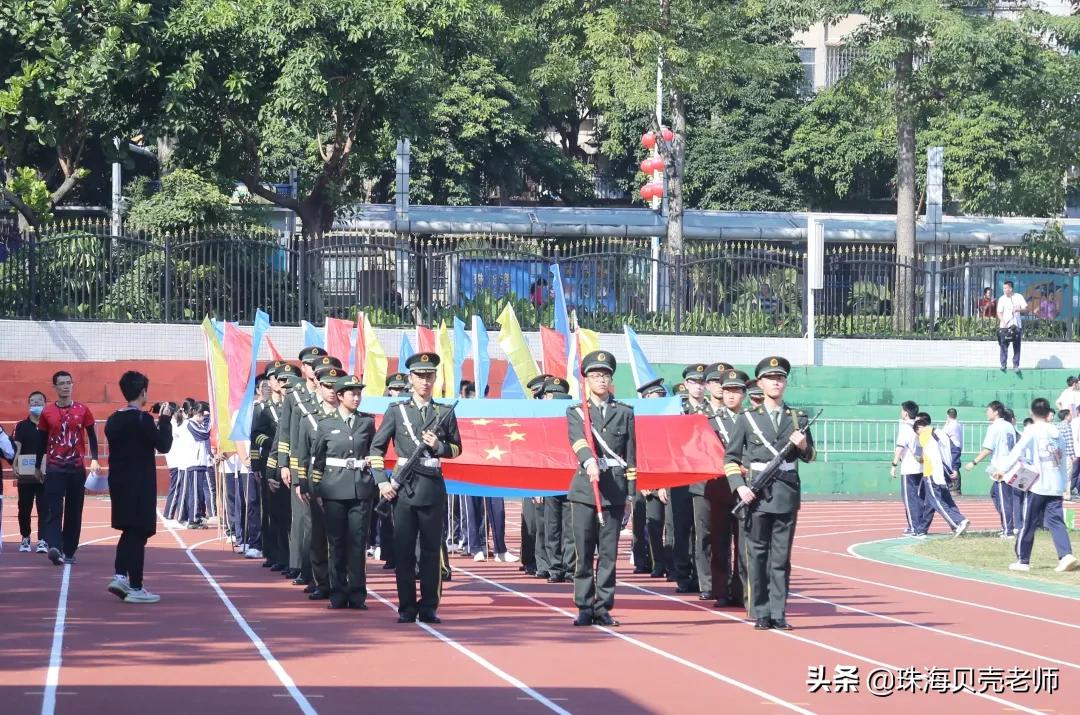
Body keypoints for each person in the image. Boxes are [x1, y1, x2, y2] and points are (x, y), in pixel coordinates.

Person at [370, 352, 462, 624]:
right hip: (404, 489)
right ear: (410, 378)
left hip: (432, 488)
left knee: (432, 551)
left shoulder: (444, 412)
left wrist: (439, 447)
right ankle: (407, 607)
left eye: (429, 376)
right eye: (420, 376)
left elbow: (457, 448)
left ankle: (430, 606)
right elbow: (376, 448)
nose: (425, 381)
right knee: (405, 550)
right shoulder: (397, 411)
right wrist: (382, 480)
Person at [724, 356, 815, 631]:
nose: (776, 382)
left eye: (781, 378)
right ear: (760, 383)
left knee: (781, 558)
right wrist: (739, 487)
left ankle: (779, 611)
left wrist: (801, 446)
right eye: (771, 378)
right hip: (757, 495)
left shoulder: (798, 418)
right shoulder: (747, 418)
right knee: (758, 555)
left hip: (786, 494)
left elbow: (811, 456)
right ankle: (760, 611)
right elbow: (730, 458)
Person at [566, 350, 637, 627]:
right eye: (595, 376)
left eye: (605, 375)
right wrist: (588, 462)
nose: (601, 380)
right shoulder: (577, 412)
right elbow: (577, 441)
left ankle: (603, 606)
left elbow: (631, 456)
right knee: (584, 553)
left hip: (615, 493)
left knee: (608, 555)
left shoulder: (625, 413)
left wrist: (631, 494)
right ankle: (584, 606)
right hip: (586, 492)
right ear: (586, 380)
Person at [104, 372, 174, 603]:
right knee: (138, 532)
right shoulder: (141, 420)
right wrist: (164, 420)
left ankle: (121, 575)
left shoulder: (113, 419)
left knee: (129, 531)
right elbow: (163, 445)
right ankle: (135, 586)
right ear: (143, 391)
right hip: (140, 483)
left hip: (119, 482)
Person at [310, 374, 377, 609]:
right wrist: (315, 489)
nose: (357, 397)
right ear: (340, 396)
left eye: (359, 393)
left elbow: (375, 452)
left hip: (361, 489)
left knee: (358, 544)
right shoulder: (326, 424)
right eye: (352, 393)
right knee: (336, 543)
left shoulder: (367, 423)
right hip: (334, 490)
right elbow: (317, 461)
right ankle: (337, 593)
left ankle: (357, 594)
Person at [992, 398, 1078, 573]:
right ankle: (1066, 555)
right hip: (1055, 485)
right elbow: (1061, 460)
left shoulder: (1031, 430)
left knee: (1028, 522)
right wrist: (1063, 484)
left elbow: (1017, 451)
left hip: (1038, 485)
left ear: (1032, 412)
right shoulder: (1057, 432)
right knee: (1056, 521)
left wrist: (1002, 469)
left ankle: (1023, 560)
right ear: (1049, 413)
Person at [36, 371, 100, 566]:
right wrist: (39, 465)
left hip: (76, 467)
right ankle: (55, 546)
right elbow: (41, 441)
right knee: (53, 508)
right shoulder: (47, 412)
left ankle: (69, 549)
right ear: (54, 387)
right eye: (61, 383)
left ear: (72, 385)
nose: (65, 386)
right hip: (55, 467)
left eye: (68, 383)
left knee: (74, 509)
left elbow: (92, 436)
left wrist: (95, 459)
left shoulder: (83, 410)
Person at [294, 362, 346, 600]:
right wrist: (301, 482)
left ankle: (341, 582)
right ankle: (322, 581)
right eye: (327, 386)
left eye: (336, 386)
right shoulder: (310, 418)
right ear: (319, 387)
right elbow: (302, 452)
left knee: (342, 535)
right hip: (318, 479)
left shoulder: (348, 416)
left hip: (343, 479)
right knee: (318, 533)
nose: (332, 391)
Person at [705, 367, 750, 608]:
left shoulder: (752, 419)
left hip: (746, 490)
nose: (732, 396)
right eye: (728, 391)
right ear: (721, 392)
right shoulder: (711, 422)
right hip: (720, 489)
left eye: (737, 391)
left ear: (744, 394)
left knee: (744, 546)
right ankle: (721, 590)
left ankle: (741, 591)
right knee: (720, 543)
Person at [965, 401, 1019, 538]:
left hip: (1001, 468)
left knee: (1003, 499)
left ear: (996, 411)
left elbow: (988, 449)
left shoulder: (995, 427)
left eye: (988, 410)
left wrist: (974, 462)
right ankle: (1007, 526)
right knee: (996, 494)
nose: (986, 413)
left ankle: (1009, 530)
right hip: (1010, 466)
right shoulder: (1009, 426)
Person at [631, 377, 667, 578]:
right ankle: (643, 560)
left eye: (662, 396)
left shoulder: (667, 421)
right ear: (645, 399)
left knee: (660, 523)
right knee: (643, 523)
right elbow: (633, 452)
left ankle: (660, 562)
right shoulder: (637, 421)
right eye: (655, 397)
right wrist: (642, 480)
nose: (659, 399)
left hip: (663, 479)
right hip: (641, 477)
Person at [912, 412, 970, 537]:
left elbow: (919, 457)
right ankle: (922, 529)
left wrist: (916, 454)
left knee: (937, 502)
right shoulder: (941, 433)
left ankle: (958, 522)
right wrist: (953, 468)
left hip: (931, 472)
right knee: (944, 500)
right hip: (943, 472)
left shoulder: (923, 435)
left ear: (920, 427)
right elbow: (954, 449)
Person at [12, 391, 48, 553]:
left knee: (44, 508)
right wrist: (14, 464)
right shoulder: (21, 426)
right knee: (24, 508)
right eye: (33, 402)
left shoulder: (49, 425)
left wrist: (48, 467)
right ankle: (25, 537)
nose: (36, 404)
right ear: (28, 405)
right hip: (26, 474)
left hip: (43, 474)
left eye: (39, 401)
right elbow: (17, 447)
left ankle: (42, 540)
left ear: (45, 404)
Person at [890, 401, 928, 537]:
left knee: (909, 498)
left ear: (906, 413)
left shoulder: (905, 428)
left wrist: (894, 465)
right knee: (918, 498)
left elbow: (899, 447)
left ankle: (915, 527)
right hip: (921, 467)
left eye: (902, 411)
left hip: (909, 468)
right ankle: (919, 525)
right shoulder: (919, 427)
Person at [997, 280, 1028, 373]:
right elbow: (999, 312)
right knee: (1003, 345)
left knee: (1017, 346)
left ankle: (1016, 364)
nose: (1004, 290)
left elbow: (1026, 309)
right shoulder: (1002, 299)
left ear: (1010, 288)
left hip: (1016, 325)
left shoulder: (1019, 297)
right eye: (1003, 288)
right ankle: (1003, 364)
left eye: (1006, 288)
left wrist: (1019, 309)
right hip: (1005, 326)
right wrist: (1003, 321)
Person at [942, 408, 964, 492]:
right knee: (955, 466)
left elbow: (942, 433)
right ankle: (955, 486)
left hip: (953, 446)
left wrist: (946, 423)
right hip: (957, 446)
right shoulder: (958, 424)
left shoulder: (950, 425)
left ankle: (955, 487)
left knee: (954, 466)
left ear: (947, 415)